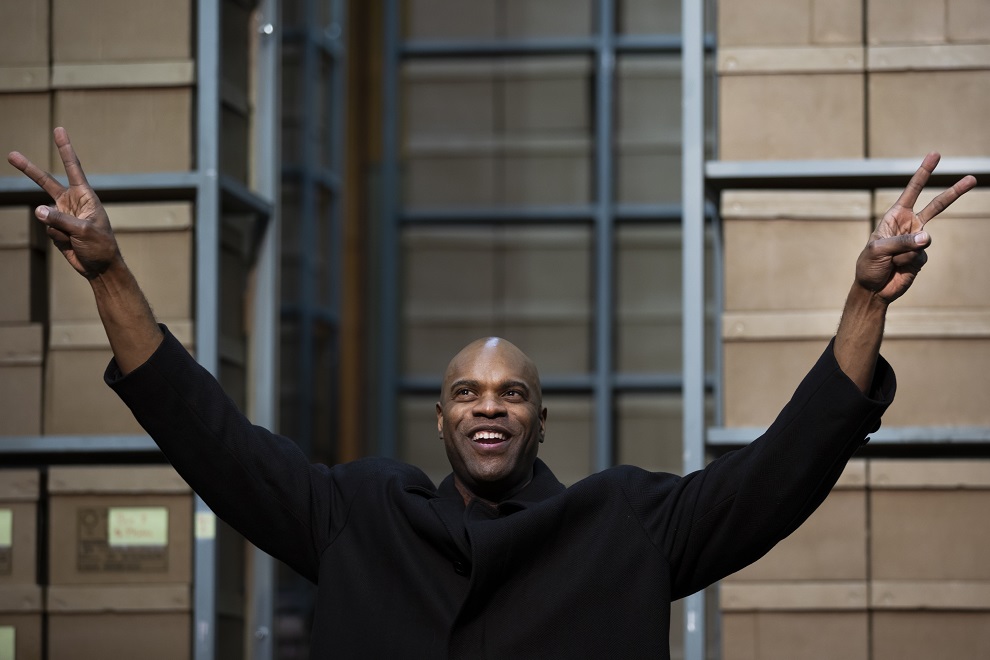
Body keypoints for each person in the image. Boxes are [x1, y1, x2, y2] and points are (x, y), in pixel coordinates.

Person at [9, 129, 977, 659]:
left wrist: (862, 300)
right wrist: (108, 276)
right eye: (468, 391)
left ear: (539, 420)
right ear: (440, 418)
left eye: (512, 393)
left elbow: (784, 469)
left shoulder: (624, 526)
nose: (488, 405)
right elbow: (205, 435)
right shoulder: (357, 519)